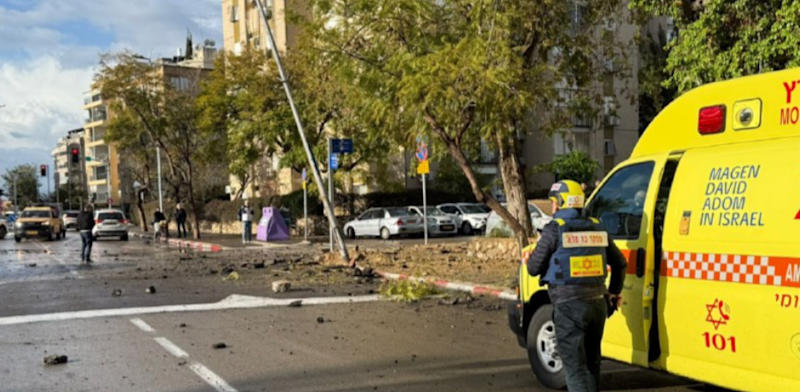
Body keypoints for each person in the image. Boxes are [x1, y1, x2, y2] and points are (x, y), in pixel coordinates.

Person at [527, 180, 627, 392]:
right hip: (597, 305)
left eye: (554, 202)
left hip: (568, 306)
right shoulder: (597, 226)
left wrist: (535, 251)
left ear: (561, 202)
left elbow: (534, 268)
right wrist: (613, 293)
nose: (553, 206)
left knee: (574, 371)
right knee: (591, 365)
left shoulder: (555, 229)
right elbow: (620, 263)